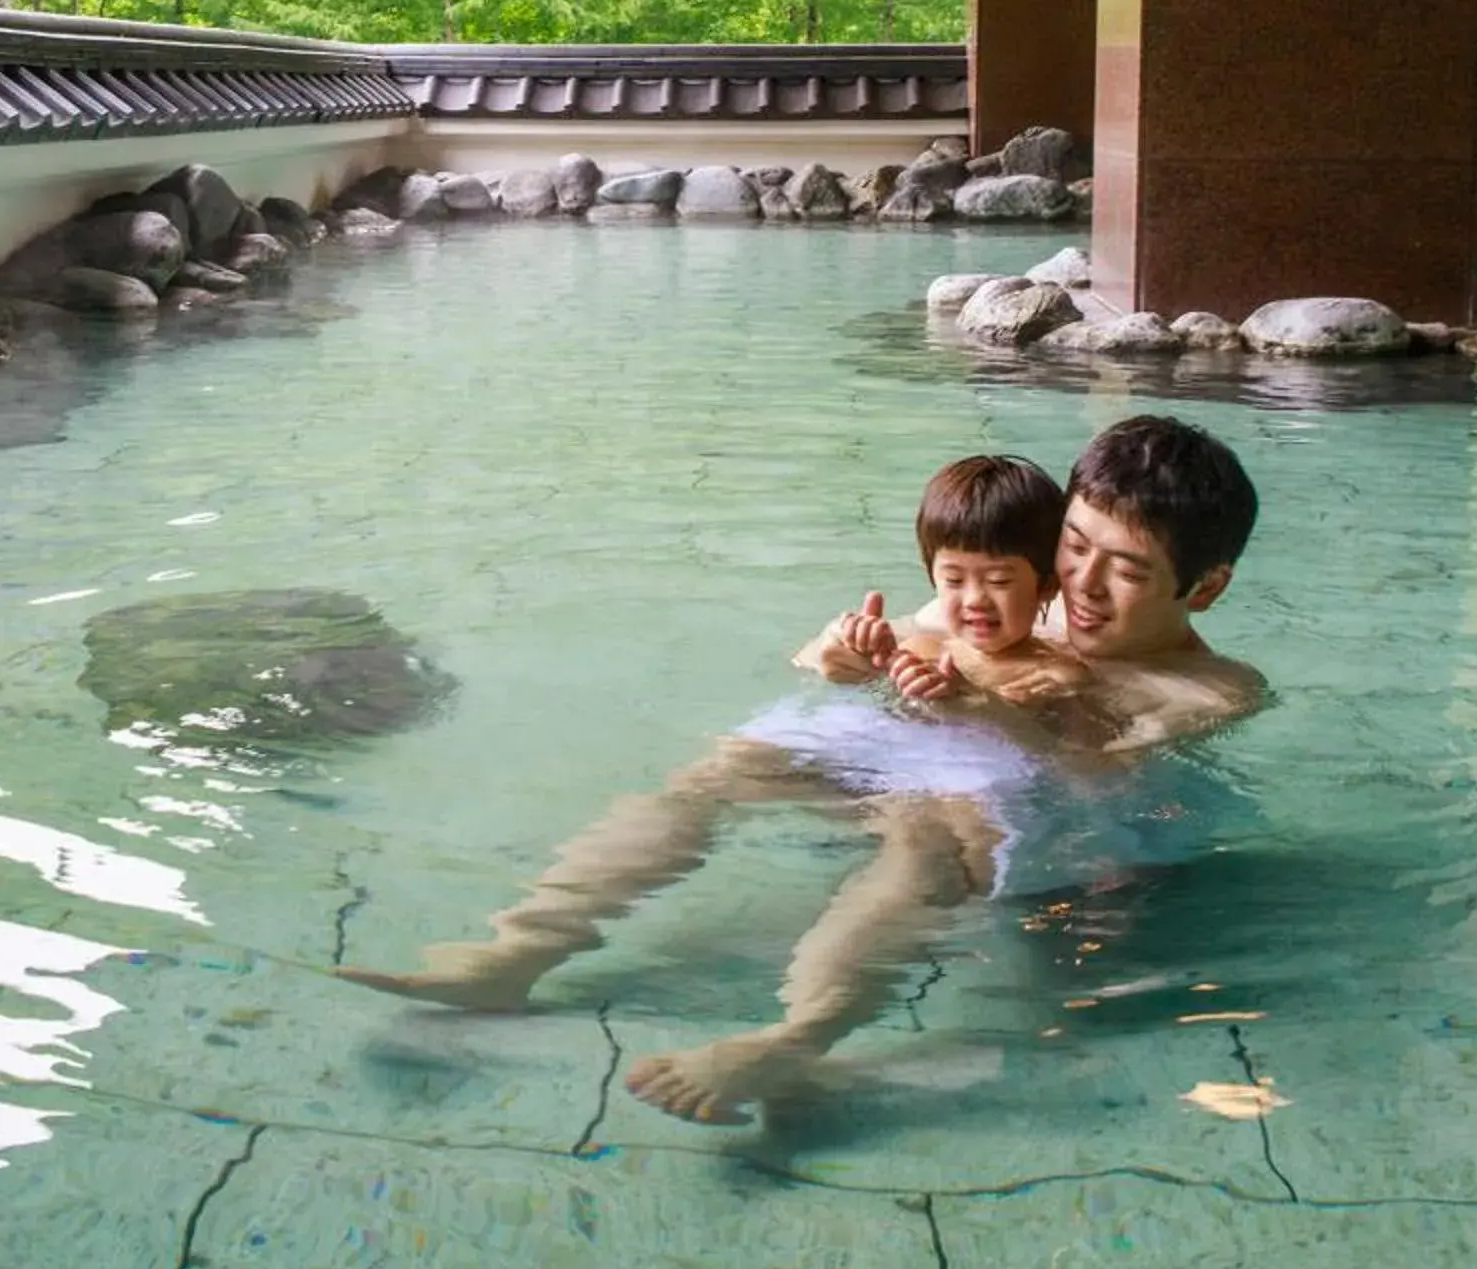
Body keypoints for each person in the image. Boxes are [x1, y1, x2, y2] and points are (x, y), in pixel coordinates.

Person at [338, 416, 1266, 1126]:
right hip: (928, 756)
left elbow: (1095, 780)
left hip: (1039, 827)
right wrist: (844, 653)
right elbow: (906, 639)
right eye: (1074, 550)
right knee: (720, 770)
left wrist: (980, 709)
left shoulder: (1207, 692)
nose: (1084, 587)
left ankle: (792, 1040)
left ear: (1206, 585)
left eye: (1127, 572)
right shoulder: (1021, 593)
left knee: (920, 841)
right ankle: (522, 949)